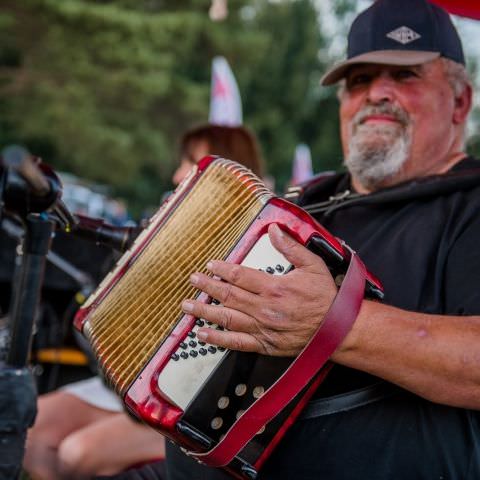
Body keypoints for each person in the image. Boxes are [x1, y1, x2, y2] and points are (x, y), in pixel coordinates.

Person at [162, 1, 480, 479]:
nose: (377, 93)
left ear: (460, 102)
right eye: (359, 80)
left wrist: (337, 326)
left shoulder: (470, 203)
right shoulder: (304, 203)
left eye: (405, 76)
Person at [23, 123, 264, 480]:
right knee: (28, 430)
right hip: (124, 383)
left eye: (190, 162)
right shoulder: (169, 225)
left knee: (78, 454)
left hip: (186, 397)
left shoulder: (255, 246)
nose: (178, 173)